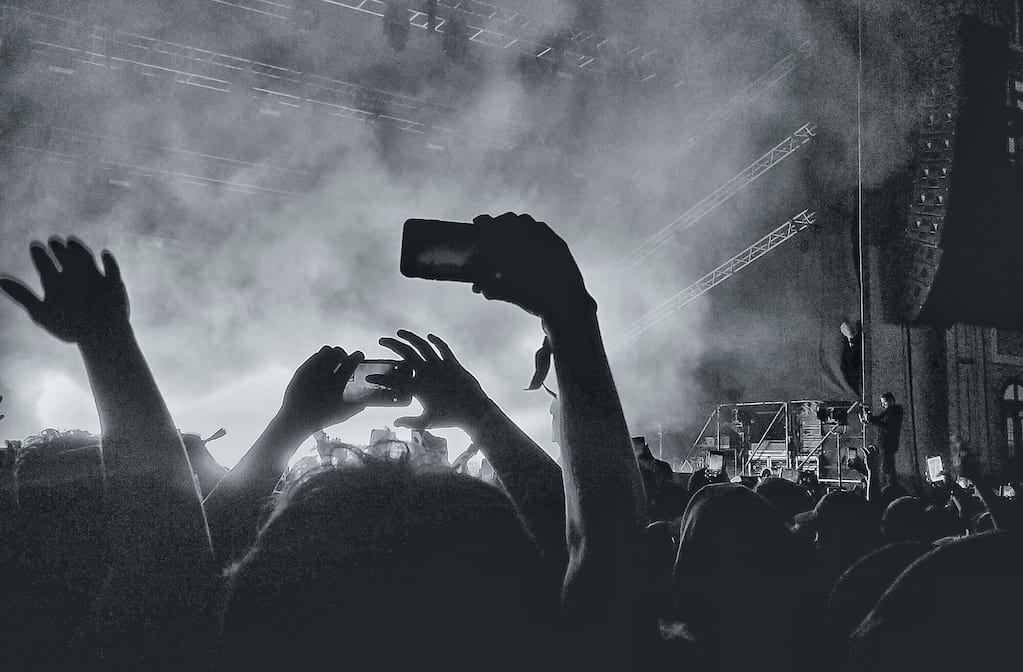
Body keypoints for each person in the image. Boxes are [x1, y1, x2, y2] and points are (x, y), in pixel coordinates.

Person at [860, 392, 903, 488]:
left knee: (888, 467)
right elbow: (879, 419)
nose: (883, 405)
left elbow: (887, 425)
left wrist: (871, 420)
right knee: (887, 466)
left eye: (884, 402)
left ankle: (892, 487)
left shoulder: (895, 411)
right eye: (882, 403)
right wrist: (870, 419)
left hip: (889, 442)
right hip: (886, 442)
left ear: (891, 401)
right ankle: (892, 487)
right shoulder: (890, 411)